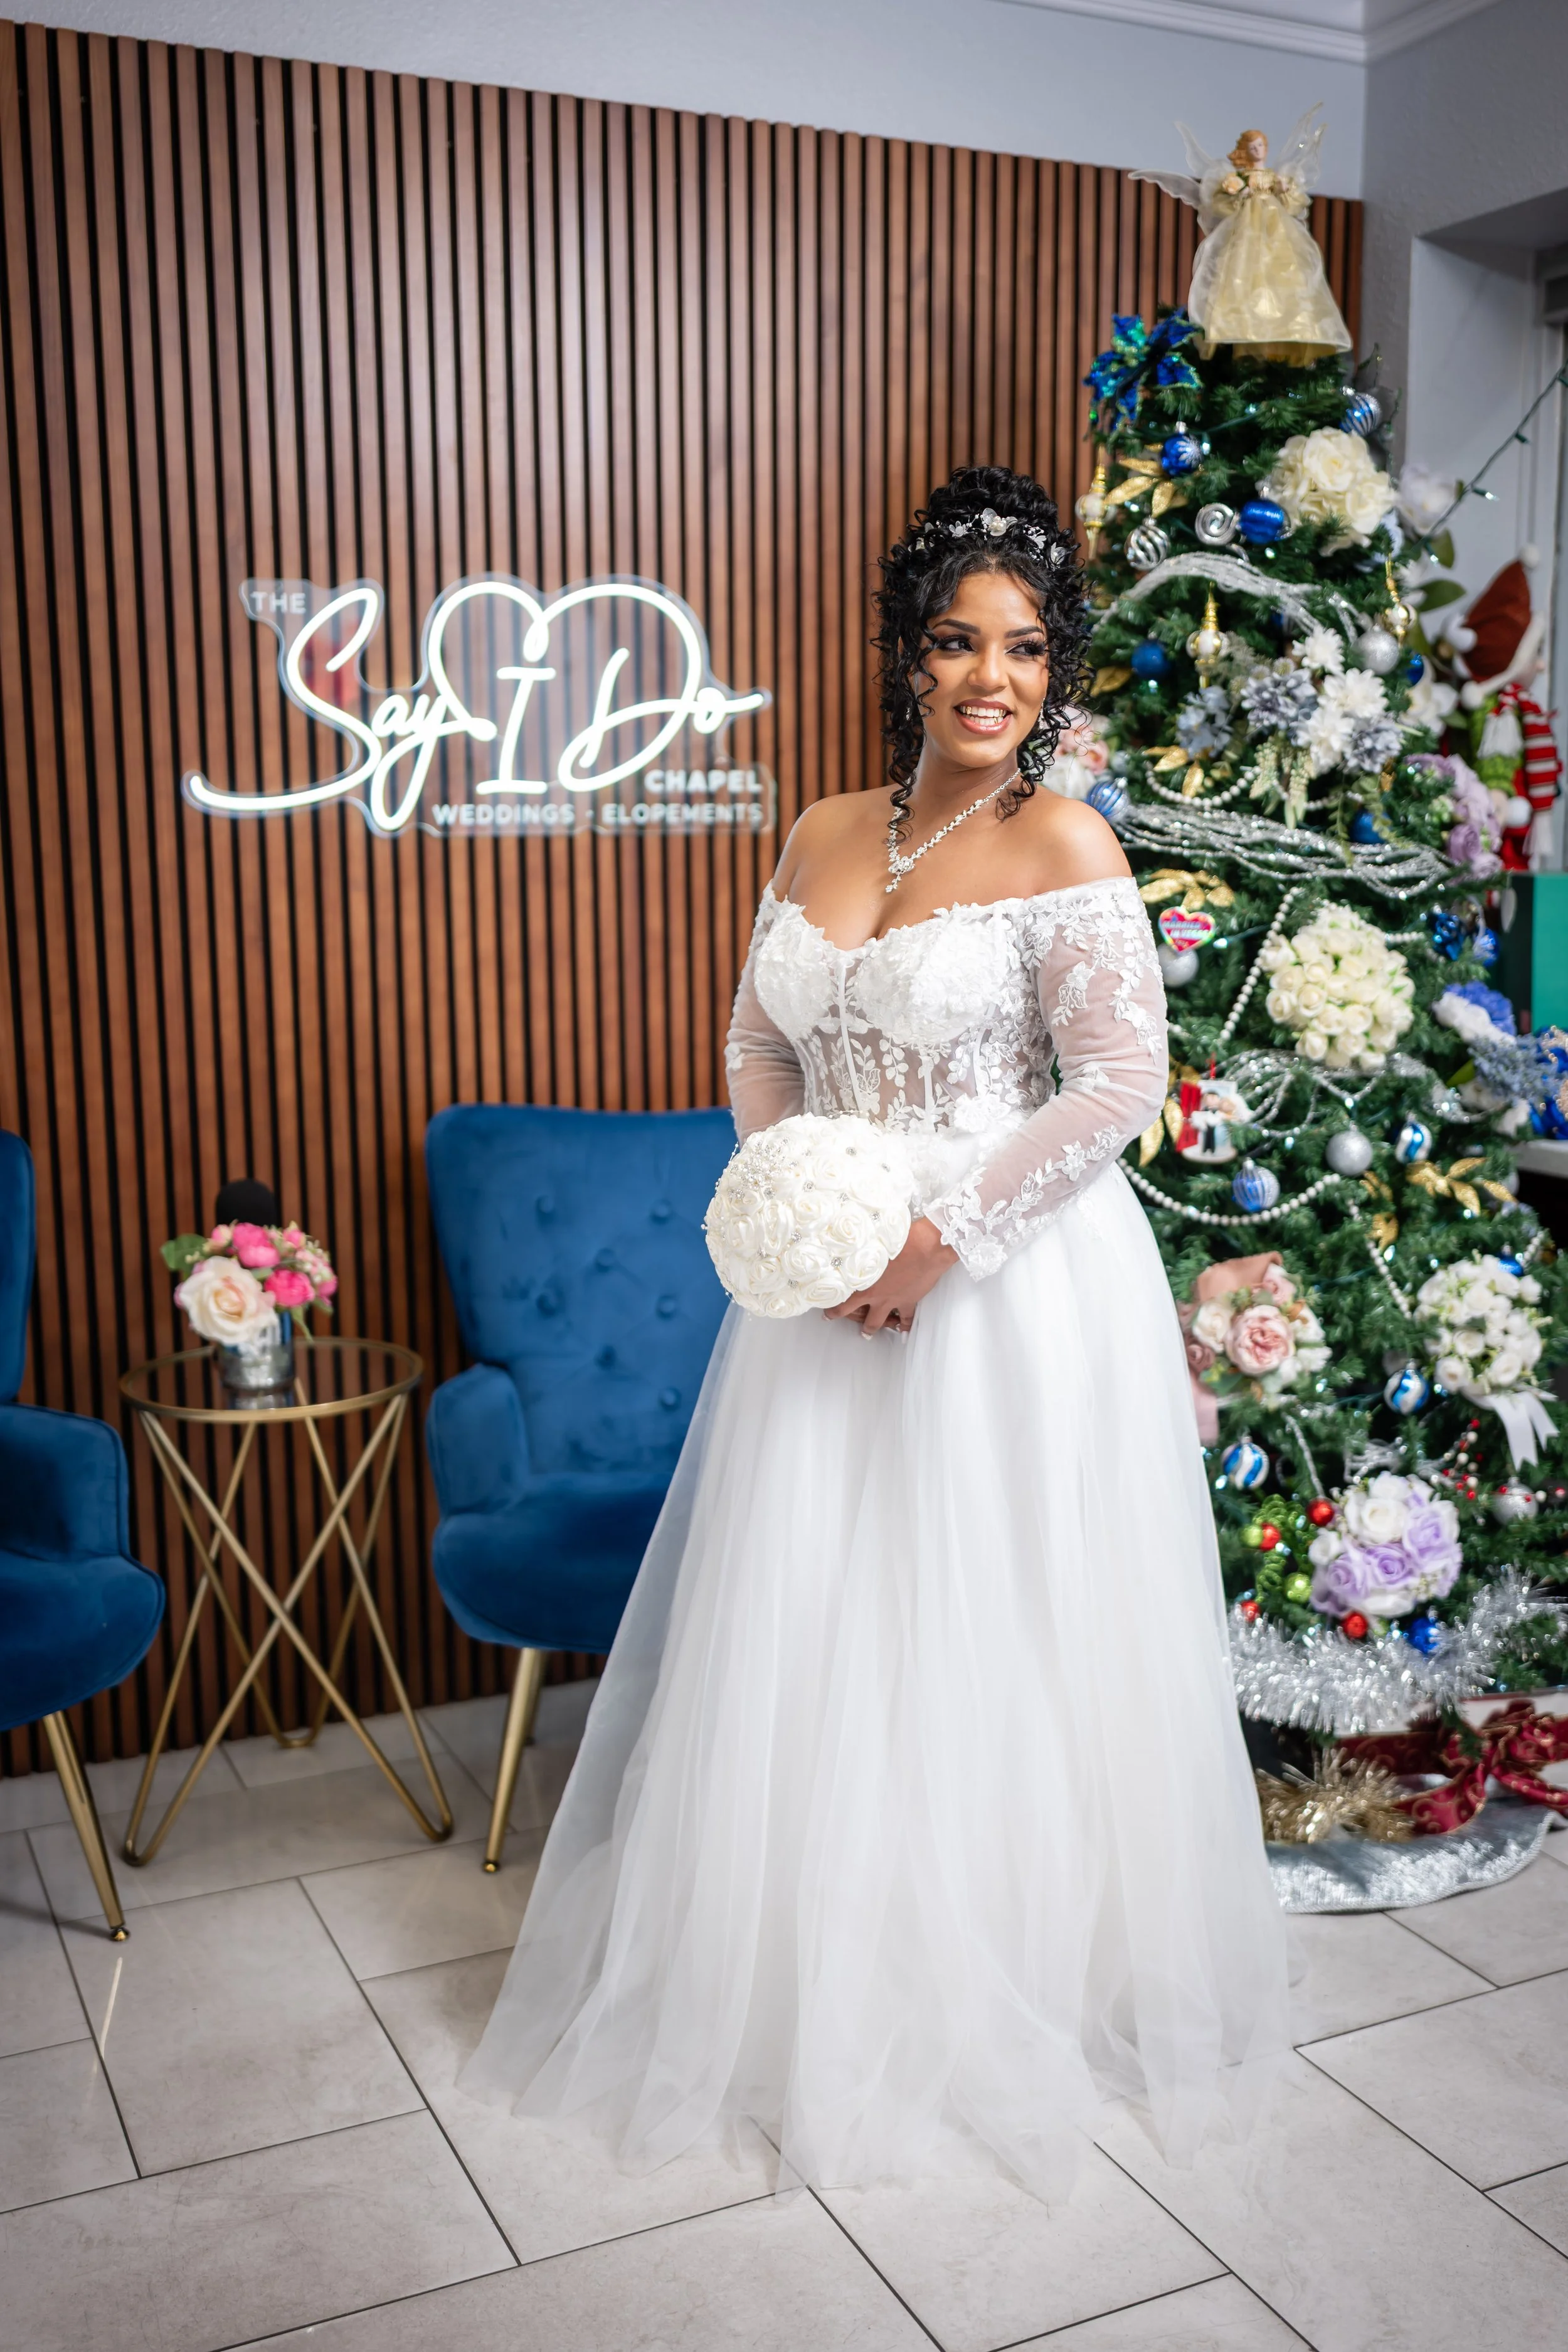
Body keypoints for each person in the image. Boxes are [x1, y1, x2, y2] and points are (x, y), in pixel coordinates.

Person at [460, 464, 1288, 2199]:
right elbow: (759, 1048)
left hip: (1003, 1288)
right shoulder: (823, 829)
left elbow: (1120, 1081)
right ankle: (804, 1973)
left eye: (1026, 646)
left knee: (981, 1622)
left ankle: (1010, 1978)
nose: (992, 675)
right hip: (822, 1292)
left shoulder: (1063, 840)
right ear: (905, 658)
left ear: (1053, 671)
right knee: (820, 1623)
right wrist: (801, 1199)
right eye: (955, 641)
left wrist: (937, 1232)